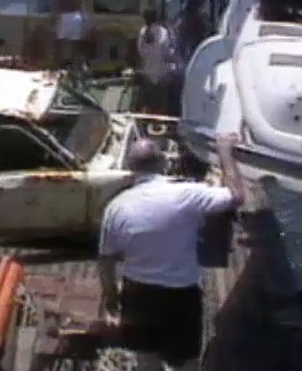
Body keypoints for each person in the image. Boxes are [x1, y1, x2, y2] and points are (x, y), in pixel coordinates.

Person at [97, 135, 245, 371]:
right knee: (187, 360)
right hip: (180, 294)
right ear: (162, 163)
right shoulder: (187, 193)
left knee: (146, 359)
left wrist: (113, 297)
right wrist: (224, 151)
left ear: (130, 167)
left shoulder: (116, 206)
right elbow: (236, 197)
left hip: (137, 294)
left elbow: (105, 261)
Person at [136, 9, 175, 114]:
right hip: (161, 73)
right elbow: (167, 52)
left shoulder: (143, 31)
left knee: (146, 103)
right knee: (160, 104)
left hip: (147, 73)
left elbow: (140, 52)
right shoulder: (162, 32)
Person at [49, 0, 87, 71]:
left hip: (65, 16)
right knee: (75, 45)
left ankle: (56, 69)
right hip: (77, 15)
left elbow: (56, 1)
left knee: (58, 43)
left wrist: (52, 17)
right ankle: (75, 69)